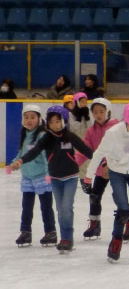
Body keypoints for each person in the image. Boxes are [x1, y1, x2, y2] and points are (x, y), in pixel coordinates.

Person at [10, 106, 93, 253]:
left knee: (66, 207)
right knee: (61, 210)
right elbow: (34, 152)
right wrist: (21, 161)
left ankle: (67, 238)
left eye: (57, 121)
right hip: (55, 178)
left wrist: (103, 161)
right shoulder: (46, 138)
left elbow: (86, 150)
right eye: (51, 122)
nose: (54, 125)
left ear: (64, 121)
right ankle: (64, 239)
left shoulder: (70, 137)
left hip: (70, 177)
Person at [84, 103, 129, 264]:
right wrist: (89, 177)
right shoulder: (113, 133)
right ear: (125, 120)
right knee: (123, 210)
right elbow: (99, 154)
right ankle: (116, 241)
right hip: (117, 172)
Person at [75, 98, 127, 240]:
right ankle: (94, 224)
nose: (98, 115)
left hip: (116, 169)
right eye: (95, 112)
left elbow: (119, 148)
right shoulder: (91, 131)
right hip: (100, 172)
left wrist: (107, 164)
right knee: (95, 196)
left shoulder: (116, 127)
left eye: (101, 112)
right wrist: (72, 165)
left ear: (108, 112)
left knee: (119, 197)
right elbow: (84, 150)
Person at [8, 104, 56, 248]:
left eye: (33, 117)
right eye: (26, 117)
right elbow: (21, 153)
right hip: (28, 177)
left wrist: (49, 174)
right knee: (26, 206)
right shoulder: (25, 134)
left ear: (39, 119)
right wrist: (14, 163)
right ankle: (25, 232)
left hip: (42, 177)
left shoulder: (42, 135)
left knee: (46, 206)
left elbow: (47, 156)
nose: (29, 120)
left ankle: (50, 232)